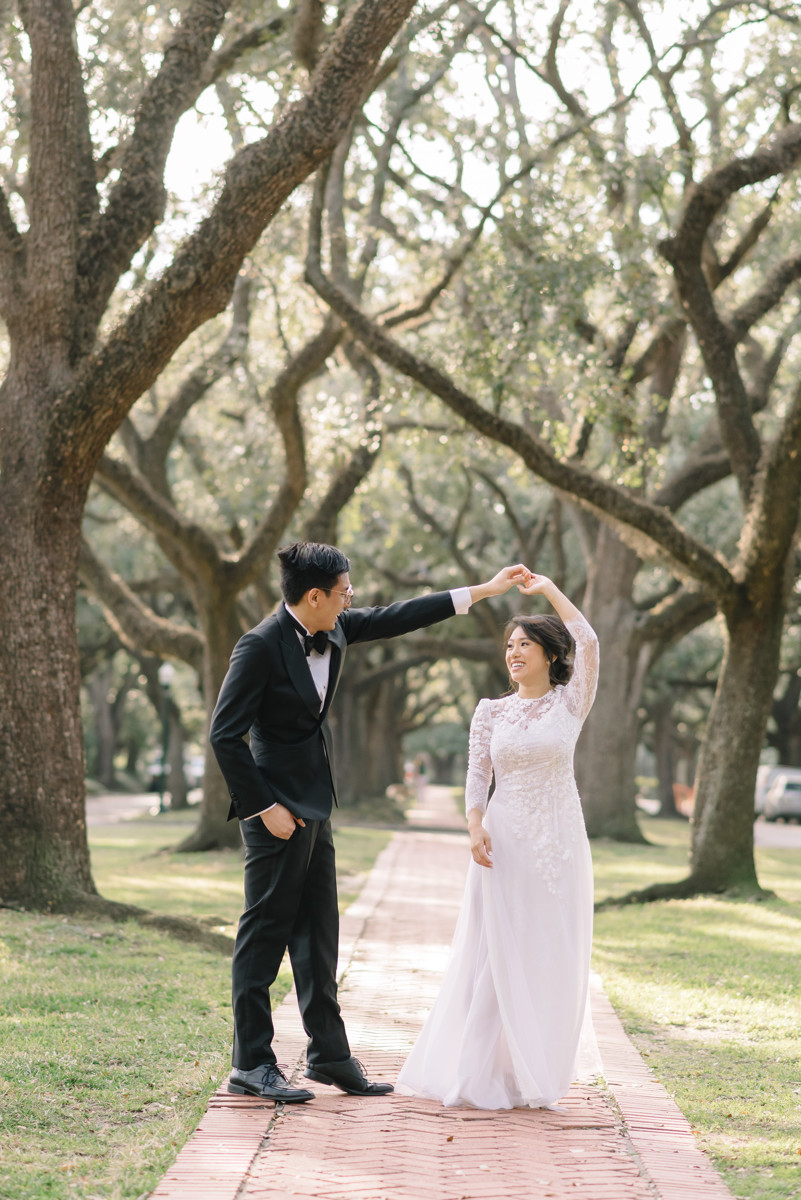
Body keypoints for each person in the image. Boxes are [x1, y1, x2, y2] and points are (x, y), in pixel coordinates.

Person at [209, 541, 530, 1104]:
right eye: (343, 592)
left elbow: (397, 617)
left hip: (317, 807)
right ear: (314, 596)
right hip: (276, 814)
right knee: (263, 935)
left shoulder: (333, 629)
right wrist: (265, 808)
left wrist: (483, 590)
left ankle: (328, 1055)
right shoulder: (259, 646)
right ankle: (251, 1063)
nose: (350, 600)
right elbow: (224, 735)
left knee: (319, 935)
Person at [396, 573, 602, 1110]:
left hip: (558, 845)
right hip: (502, 843)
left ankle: (534, 1067)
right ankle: (479, 1067)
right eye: (509, 645)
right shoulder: (490, 711)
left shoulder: (571, 703)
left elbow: (590, 640)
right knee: (493, 951)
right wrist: (474, 824)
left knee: (546, 949)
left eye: (524, 645)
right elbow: (475, 775)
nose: (513, 653)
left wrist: (552, 590)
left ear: (550, 655)